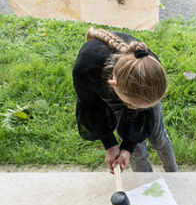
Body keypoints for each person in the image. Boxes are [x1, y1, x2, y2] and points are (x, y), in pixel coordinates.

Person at [73, 28, 178, 173]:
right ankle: (145, 185)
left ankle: (173, 175)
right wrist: (110, 144)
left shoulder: (148, 64)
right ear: (113, 84)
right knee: (137, 151)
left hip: (139, 91)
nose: (141, 112)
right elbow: (92, 109)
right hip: (107, 85)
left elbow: (143, 110)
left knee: (159, 138)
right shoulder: (85, 72)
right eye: (137, 107)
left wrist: (127, 148)